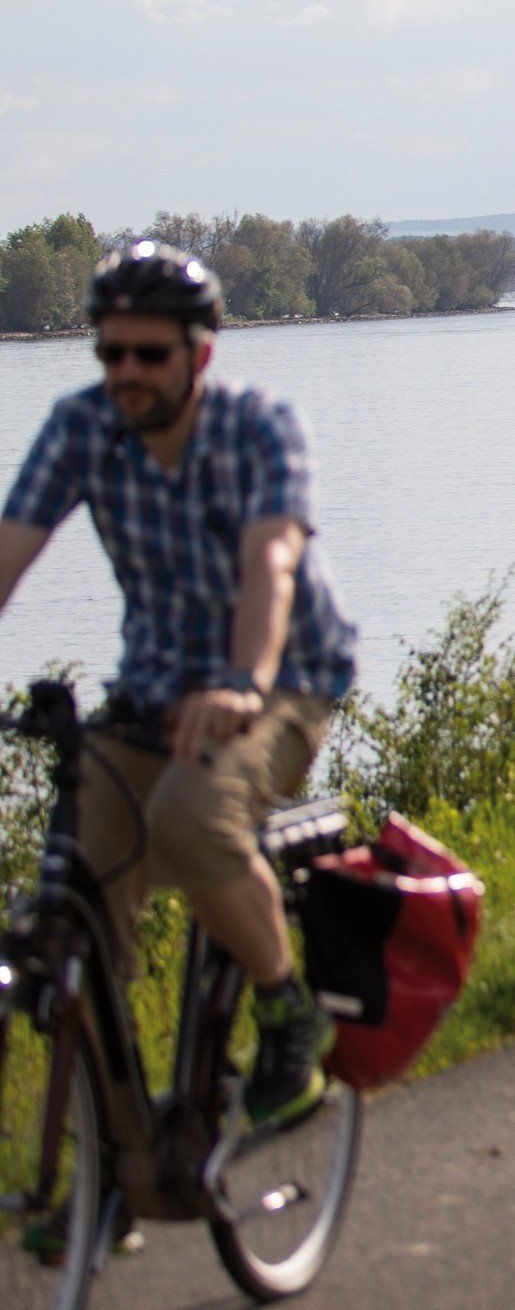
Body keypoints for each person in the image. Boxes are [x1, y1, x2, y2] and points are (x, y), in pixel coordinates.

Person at [0, 242, 358, 1130]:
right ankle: (110, 1168)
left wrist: (243, 681)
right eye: (110, 352)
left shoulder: (260, 426)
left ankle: (285, 1011)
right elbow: (7, 553)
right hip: (154, 686)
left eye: (148, 353)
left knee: (190, 821)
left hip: (282, 680)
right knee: (78, 901)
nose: (126, 371)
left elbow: (271, 560)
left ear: (199, 354)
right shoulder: (81, 429)